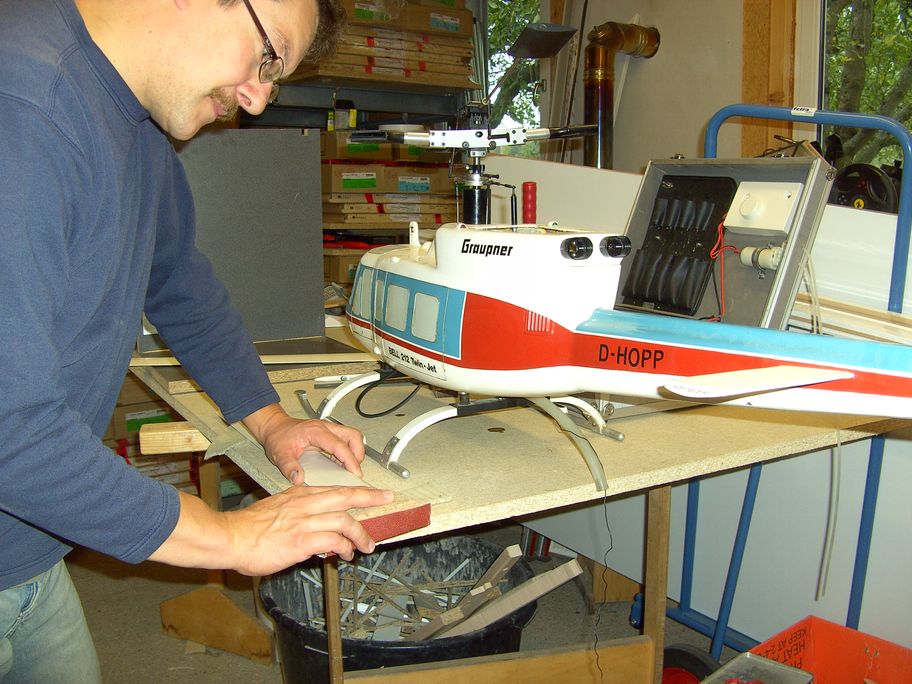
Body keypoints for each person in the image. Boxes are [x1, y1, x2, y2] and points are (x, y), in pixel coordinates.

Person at [0, 0, 393, 681]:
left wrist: (271, 422)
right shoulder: (23, 110)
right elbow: (10, 428)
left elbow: (178, 282)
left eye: (275, 78)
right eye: (267, 57)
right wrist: (228, 535)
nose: (258, 99)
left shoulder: (133, 115)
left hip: (25, 553)